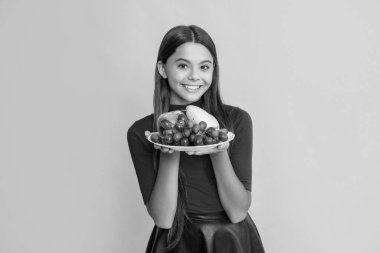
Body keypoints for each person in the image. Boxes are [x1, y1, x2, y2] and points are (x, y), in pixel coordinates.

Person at [127, 25, 265, 253]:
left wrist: (218, 149)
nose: (194, 76)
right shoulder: (143, 132)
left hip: (230, 240)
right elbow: (163, 219)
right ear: (163, 68)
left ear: (213, 70)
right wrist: (169, 149)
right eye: (182, 65)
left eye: (204, 67)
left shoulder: (235, 121)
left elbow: (237, 211)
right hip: (176, 242)